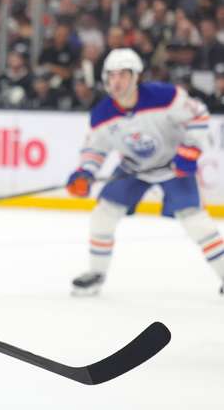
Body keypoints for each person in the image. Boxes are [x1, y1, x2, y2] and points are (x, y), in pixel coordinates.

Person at [66, 48, 223, 296]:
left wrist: (190, 150)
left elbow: (199, 115)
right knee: (103, 215)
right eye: (112, 75)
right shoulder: (102, 113)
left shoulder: (165, 96)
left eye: (123, 75)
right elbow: (95, 149)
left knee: (197, 222)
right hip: (134, 169)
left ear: (136, 76)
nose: (116, 81)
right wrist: (85, 172)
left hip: (172, 167)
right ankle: (96, 273)